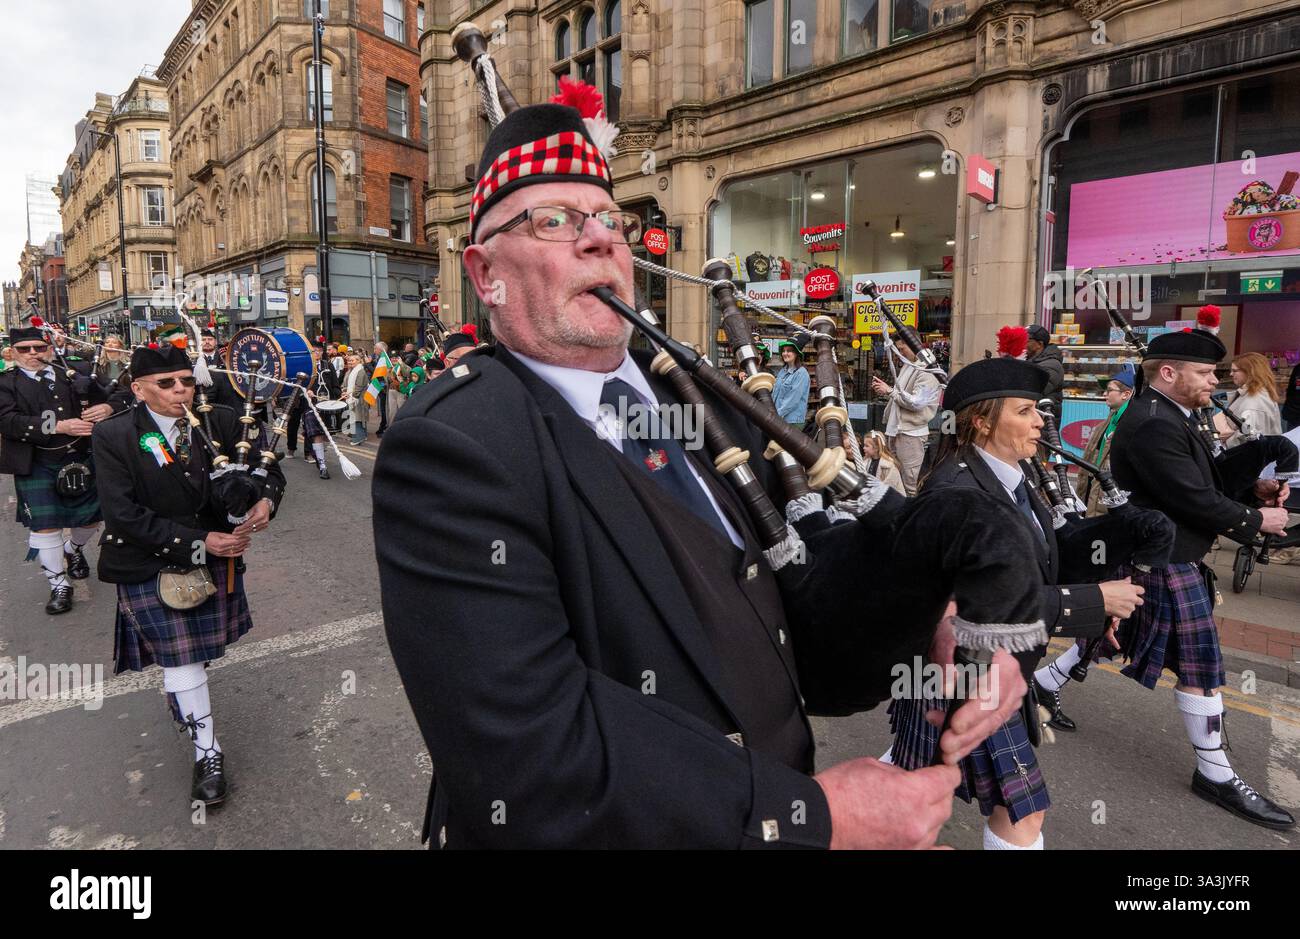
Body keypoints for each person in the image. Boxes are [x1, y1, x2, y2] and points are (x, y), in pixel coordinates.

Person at [373, 96, 1026, 849]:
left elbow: (801, 628)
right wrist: (812, 816)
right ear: (485, 273)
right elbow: (528, 756)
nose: (599, 242)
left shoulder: (697, 401)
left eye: (607, 218)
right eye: (553, 220)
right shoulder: (457, 444)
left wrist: (924, 614)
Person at [889, 357, 1140, 849]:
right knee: (1021, 813)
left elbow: (1032, 562)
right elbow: (973, 607)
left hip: (987, 669)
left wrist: (1097, 602)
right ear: (982, 421)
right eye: (1025, 411)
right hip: (961, 671)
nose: (1041, 421)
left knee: (919, 783)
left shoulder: (1009, 476)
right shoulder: (959, 491)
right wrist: (1088, 603)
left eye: (1037, 411)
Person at [1108, 328, 1294, 829]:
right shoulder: (1152, 423)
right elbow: (1191, 498)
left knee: (1102, 637)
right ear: (1169, 373)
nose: (1216, 379)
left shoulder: (1174, 415)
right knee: (1201, 665)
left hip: (1167, 552)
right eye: (1206, 373)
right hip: (1164, 555)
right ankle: (1214, 773)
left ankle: (1042, 686)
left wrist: (1253, 487)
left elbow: (1202, 481)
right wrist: (1258, 521)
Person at [93, 343, 285, 806]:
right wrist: (198, 543)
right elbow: (122, 515)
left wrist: (266, 502)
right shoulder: (116, 435)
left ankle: (184, 697)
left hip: (217, 556)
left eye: (186, 380)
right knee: (182, 659)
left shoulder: (221, 419)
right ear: (138, 389)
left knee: (195, 657)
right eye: (166, 384)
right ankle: (208, 752)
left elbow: (267, 471)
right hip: (149, 557)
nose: (180, 390)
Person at [0, 326, 116, 614]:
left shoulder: (75, 371)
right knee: (46, 525)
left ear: (49, 348)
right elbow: (6, 421)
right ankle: (58, 585)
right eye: (24, 349)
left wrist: (108, 409)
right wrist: (56, 426)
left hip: (84, 456)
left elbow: (121, 392)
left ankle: (72, 549)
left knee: (92, 518)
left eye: (38, 348)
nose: (33, 354)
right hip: (37, 462)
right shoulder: (6, 383)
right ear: (12, 353)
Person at [871, 342, 940, 496]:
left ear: (912, 345)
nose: (899, 353)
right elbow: (902, 395)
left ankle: (914, 517)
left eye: (901, 349)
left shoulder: (927, 368)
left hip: (910, 434)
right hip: (898, 431)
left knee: (911, 483)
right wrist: (888, 390)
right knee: (896, 480)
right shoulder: (909, 364)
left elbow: (918, 403)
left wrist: (889, 391)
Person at [1075, 365, 1135, 516]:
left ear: (1126, 394)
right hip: (1093, 492)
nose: (1104, 394)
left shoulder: (1129, 423)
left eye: (1109, 390)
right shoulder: (1112, 417)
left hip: (1106, 501)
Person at [289, 345, 341, 478]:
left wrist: (336, 400)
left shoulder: (328, 365)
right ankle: (322, 465)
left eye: (318, 351)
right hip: (310, 405)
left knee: (324, 434)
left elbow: (335, 385)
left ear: (322, 352)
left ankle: (318, 454)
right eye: (313, 351)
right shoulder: (304, 365)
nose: (316, 353)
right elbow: (296, 385)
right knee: (315, 433)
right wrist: (306, 390)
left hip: (327, 405)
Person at [1221, 352, 1282, 447]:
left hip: (1244, 457)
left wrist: (1224, 446)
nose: (1231, 374)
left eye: (1234, 370)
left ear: (1250, 372)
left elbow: (1248, 436)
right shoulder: (1254, 394)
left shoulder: (1255, 401)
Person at [1025, 325, 1064, 419]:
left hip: (1043, 420)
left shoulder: (1052, 364)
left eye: (1027, 340)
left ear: (1039, 344)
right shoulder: (1029, 360)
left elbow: (1032, 390)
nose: (1022, 344)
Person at [772, 339, 810, 427]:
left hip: (792, 421)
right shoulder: (783, 371)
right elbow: (775, 394)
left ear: (796, 353)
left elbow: (793, 400)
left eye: (789, 351)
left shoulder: (801, 373)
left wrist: (776, 415)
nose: (785, 353)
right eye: (784, 351)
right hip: (779, 418)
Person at [858, 429, 906, 495]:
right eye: (864, 445)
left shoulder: (889, 466)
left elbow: (890, 485)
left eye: (867, 446)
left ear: (876, 448)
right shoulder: (865, 462)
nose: (863, 448)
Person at [341, 351, 369, 445]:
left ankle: (358, 438)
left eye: (352, 360)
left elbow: (359, 386)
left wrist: (352, 396)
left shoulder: (360, 371)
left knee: (357, 418)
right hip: (351, 397)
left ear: (358, 361)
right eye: (349, 360)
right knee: (355, 417)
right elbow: (345, 383)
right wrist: (344, 391)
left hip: (359, 399)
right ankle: (361, 436)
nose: (350, 362)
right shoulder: (350, 371)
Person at [1282, 359, 1300, 432]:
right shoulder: (1298, 369)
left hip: (1293, 413)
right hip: (1294, 415)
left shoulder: (1298, 368)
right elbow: (1295, 389)